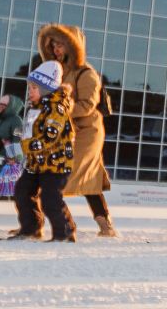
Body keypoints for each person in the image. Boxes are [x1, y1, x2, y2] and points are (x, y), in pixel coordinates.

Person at [37, 24, 117, 238]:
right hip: (64, 130)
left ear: (73, 46)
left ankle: (49, 223)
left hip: (86, 131)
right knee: (89, 179)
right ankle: (105, 225)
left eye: (61, 44)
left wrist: (60, 107)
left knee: (64, 175)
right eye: (53, 45)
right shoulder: (59, 72)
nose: (56, 50)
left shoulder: (86, 73)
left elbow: (87, 105)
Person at [7, 61, 75, 242]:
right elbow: (31, 131)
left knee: (50, 198)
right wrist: (20, 136)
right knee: (22, 191)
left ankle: (65, 232)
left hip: (55, 164)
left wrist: (24, 145)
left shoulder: (57, 108)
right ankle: (31, 228)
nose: (30, 91)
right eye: (29, 87)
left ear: (46, 89)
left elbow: (48, 138)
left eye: (34, 88)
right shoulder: (35, 107)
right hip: (36, 162)